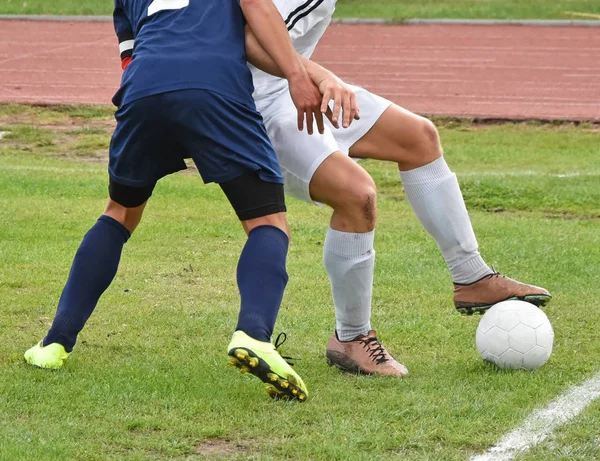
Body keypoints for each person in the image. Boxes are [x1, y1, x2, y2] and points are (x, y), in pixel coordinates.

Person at [23, 0, 334, 402]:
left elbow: (130, 54)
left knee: (118, 214)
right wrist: (297, 74)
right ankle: (254, 335)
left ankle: (54, 343)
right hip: (214, 84)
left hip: (143, 87)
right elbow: (255, 7)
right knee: (267, 223)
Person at [241, 0, 552, 377]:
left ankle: (471, 276)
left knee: (418, 137)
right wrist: (322, 77)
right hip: (258, 109)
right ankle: (351, 338)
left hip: (292, 89)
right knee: (357, 195)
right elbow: (248, 37)